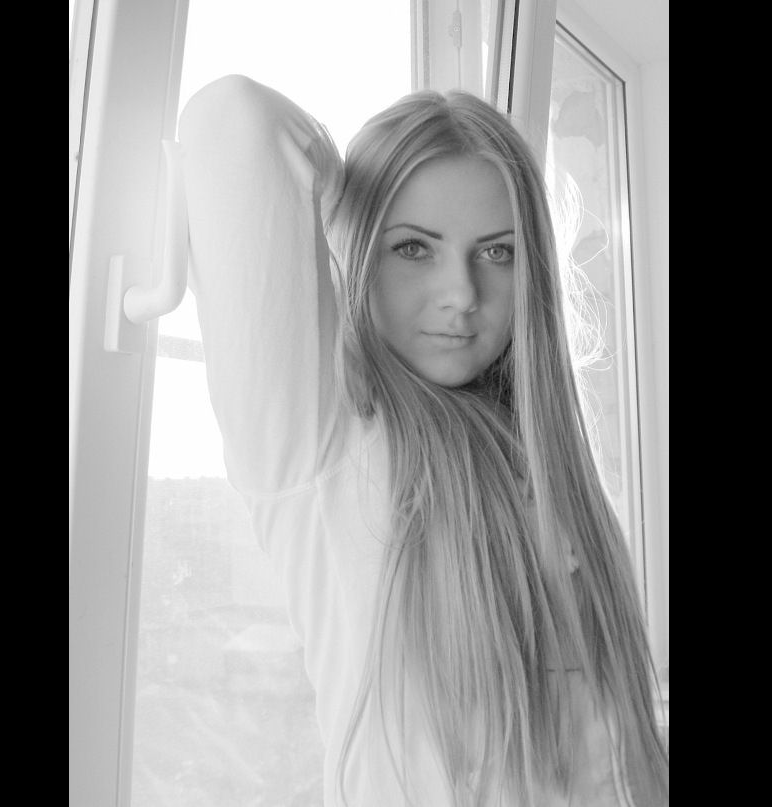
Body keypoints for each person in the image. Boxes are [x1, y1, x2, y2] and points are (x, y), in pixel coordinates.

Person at [178, 74, 668, 807]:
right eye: (413, 248)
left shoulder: (550, 469)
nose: (462, 294)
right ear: (358, 251)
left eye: (496, 252)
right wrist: (345, 195)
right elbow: (236, 122)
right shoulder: (330, 448)